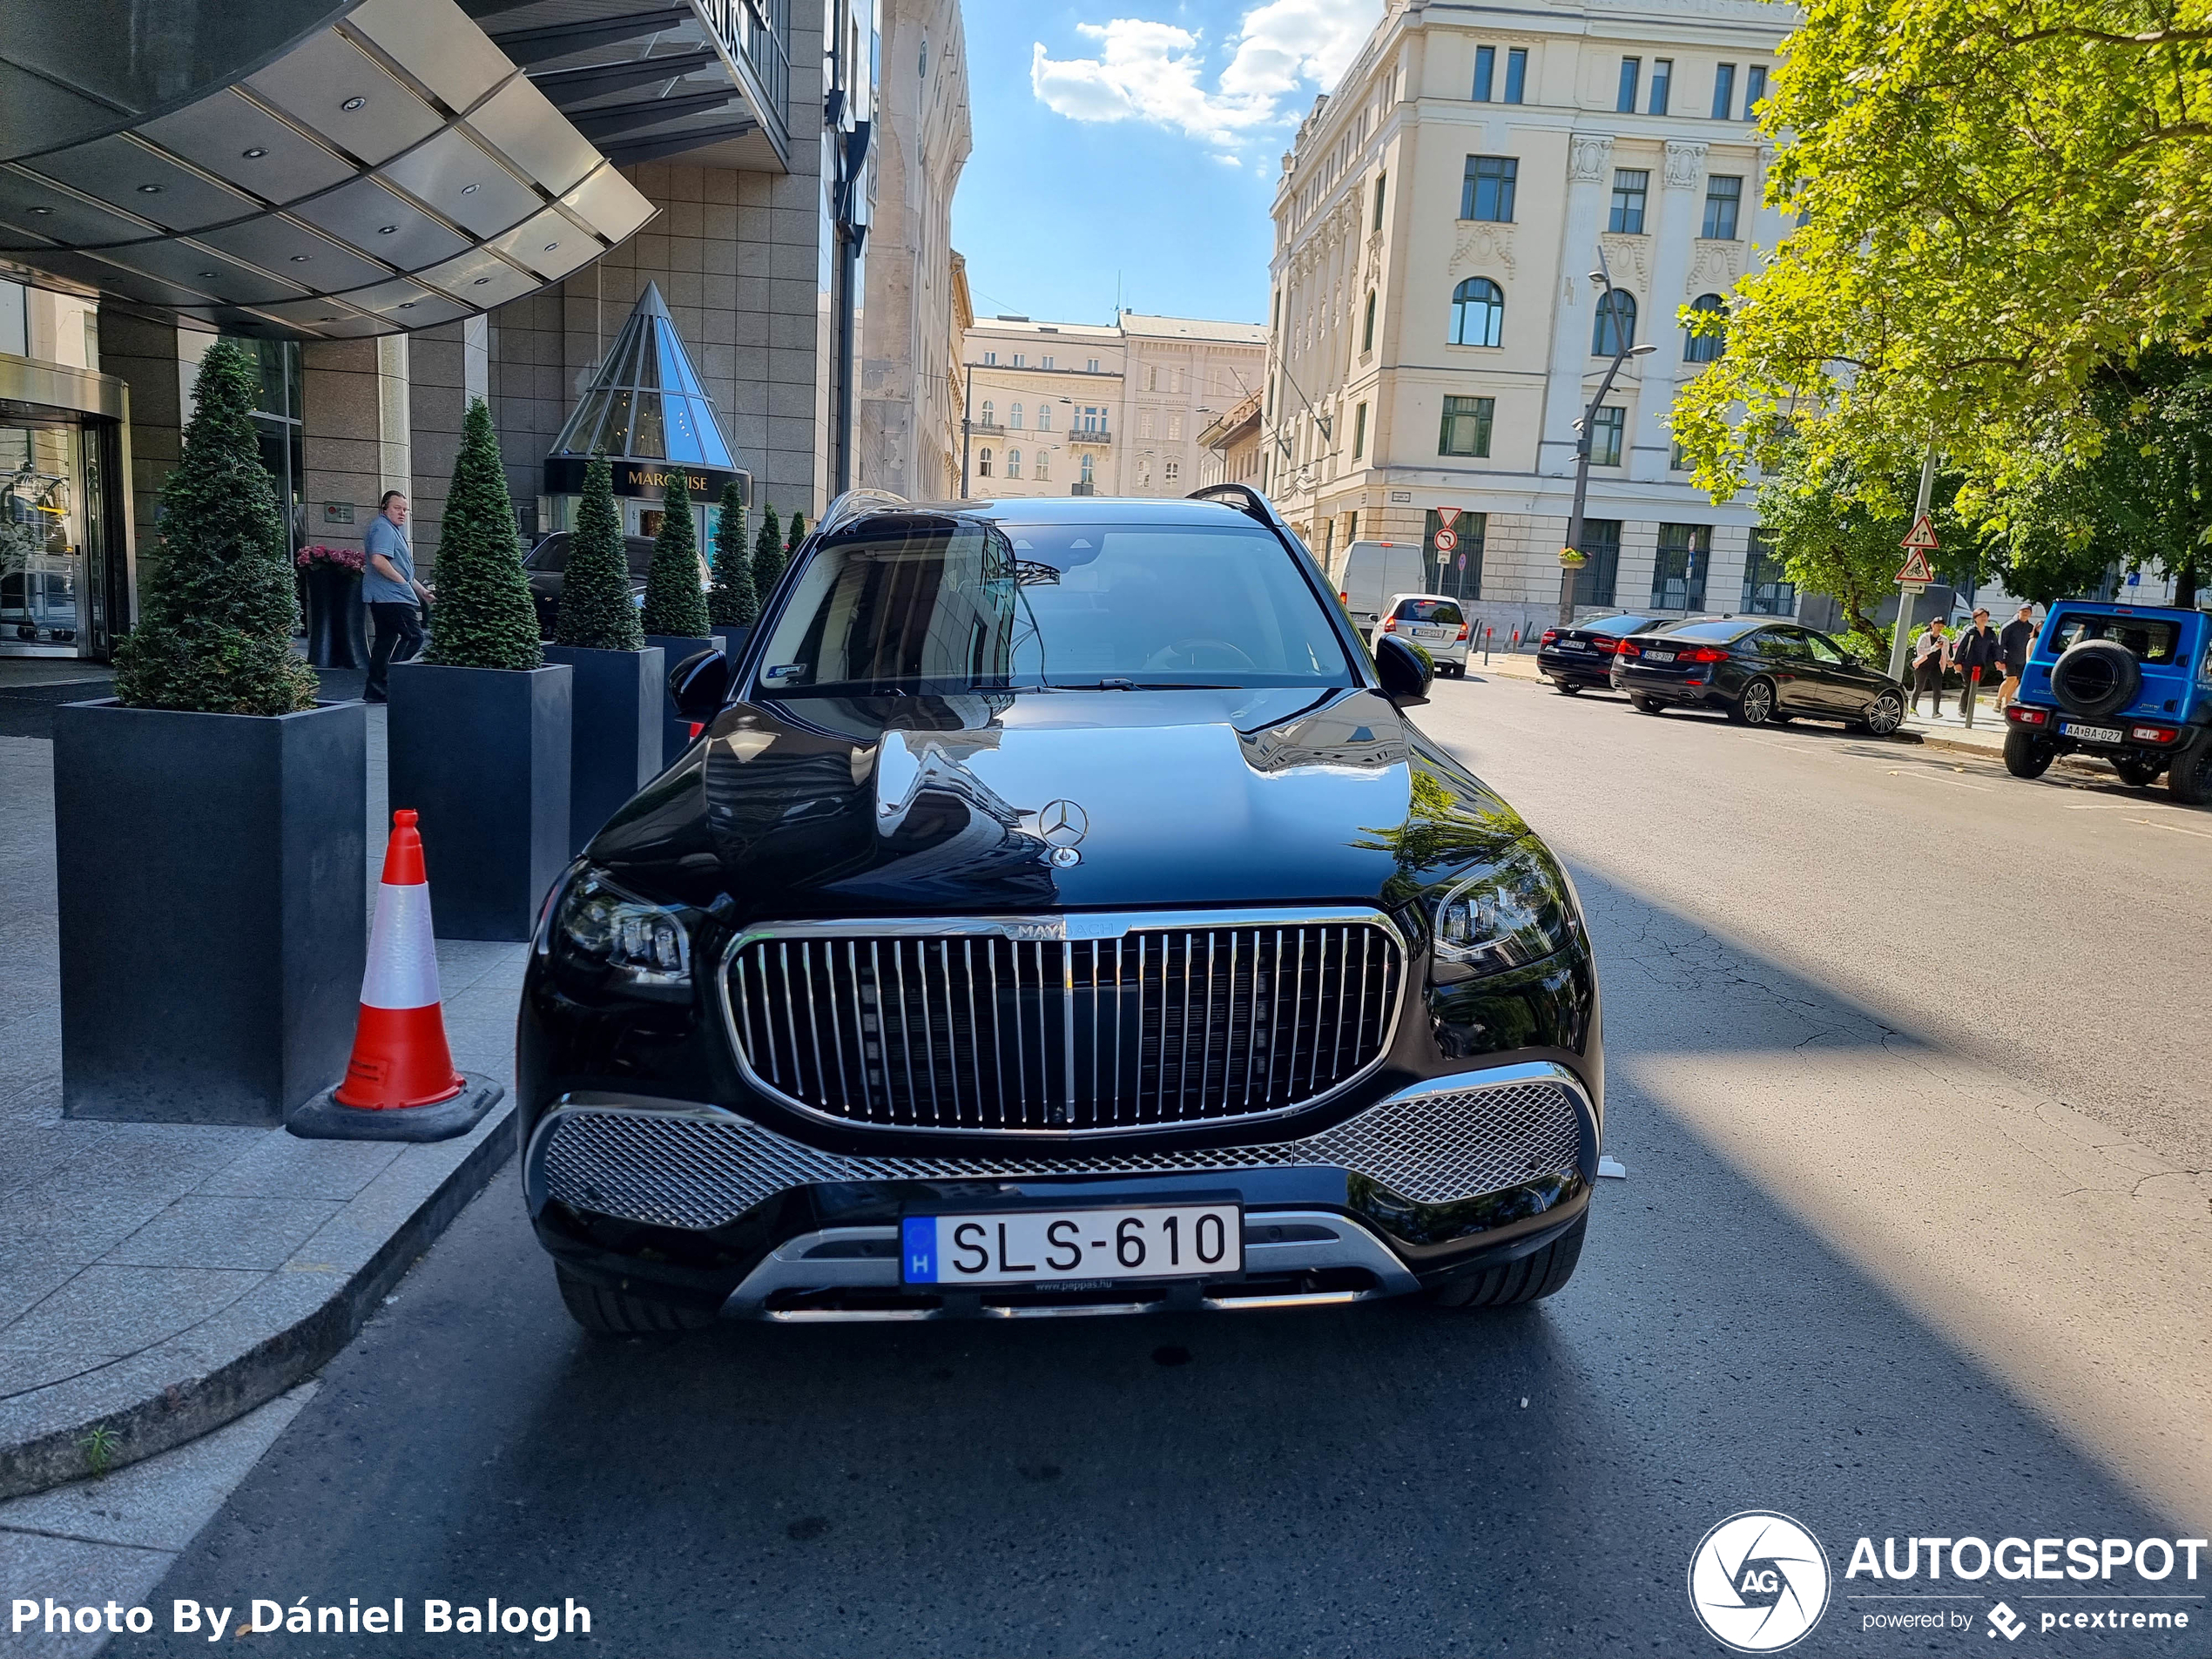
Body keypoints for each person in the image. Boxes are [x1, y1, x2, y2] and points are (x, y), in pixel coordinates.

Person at [362, 489, 431, 704]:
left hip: (384, 596)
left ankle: (376, 690)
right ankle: (394, 684)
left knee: (385, 641)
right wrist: (402, 584)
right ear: (384, 508)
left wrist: (421, 591)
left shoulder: (389, 529)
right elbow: (378, 561)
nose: (402, 513)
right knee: (414, 636)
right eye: (397, 508)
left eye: (405, 510)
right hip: (392, 597)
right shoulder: (383, 528)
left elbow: (402, 570)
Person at [1952, 607, 2001, 726]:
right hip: (1968, 663)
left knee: (1975, 686)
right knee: (1968, 685)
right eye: (1981, 616)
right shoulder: (1970, 631)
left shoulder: (1990, 633)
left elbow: (1994, 649)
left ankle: (1969, 708)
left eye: (1985, 616)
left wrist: (1997, 660)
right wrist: (1957, 662)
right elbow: (1961, 647)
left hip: (1982, 663)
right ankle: (1962, 708)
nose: (1984, 619)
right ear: (1975, 618)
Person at [1997, 603, 2038, 711]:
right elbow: (2000, 644)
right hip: (2009, 657)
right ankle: (1998, 701)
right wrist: (2000, 660)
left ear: (2031, 614)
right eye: (2023, 611)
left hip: (2022, 659)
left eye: (2028, 611)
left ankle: (2006, 704)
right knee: (2010, 679)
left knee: (2016, 681)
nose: (2025, 613)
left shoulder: (2030, 628)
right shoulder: (2009, 626)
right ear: (2018, 611)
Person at [1910, 617, 1951, 718]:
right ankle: (1912, 708)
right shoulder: (1924, 637)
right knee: (1919, 686)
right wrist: (1934, 648)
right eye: (1937, 625)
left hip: (1936, 666)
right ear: (1932, 625)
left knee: (1937, 689)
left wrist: (1950, 661)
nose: (1939, 628)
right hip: (1923, 665)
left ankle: (1935, 711)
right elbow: (1920, 651)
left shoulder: (1944, 639)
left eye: (1942, 626)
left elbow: (1946, 653)